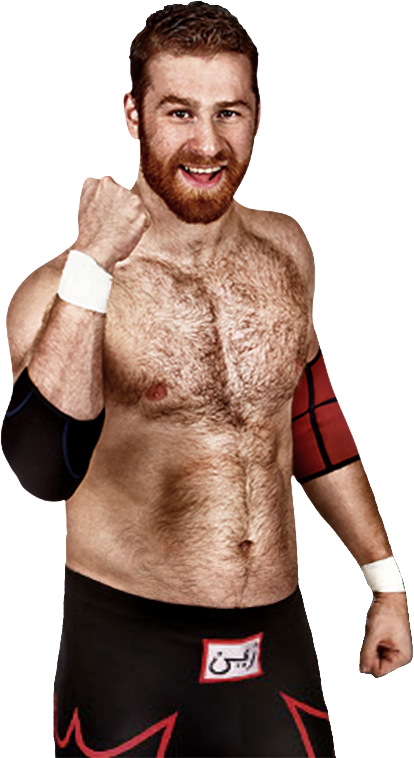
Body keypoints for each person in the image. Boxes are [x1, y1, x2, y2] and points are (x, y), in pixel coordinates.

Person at [1, 3, 412, 757]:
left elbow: (310, 418)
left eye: (229, 112)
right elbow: (41, 469)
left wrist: (385, 582)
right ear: (133, 115)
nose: (207, 144)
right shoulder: (62, 288)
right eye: (179, 111)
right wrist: (93, 266)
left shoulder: (287, 247)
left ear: (258, 115)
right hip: (128, 656)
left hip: (277, 644)